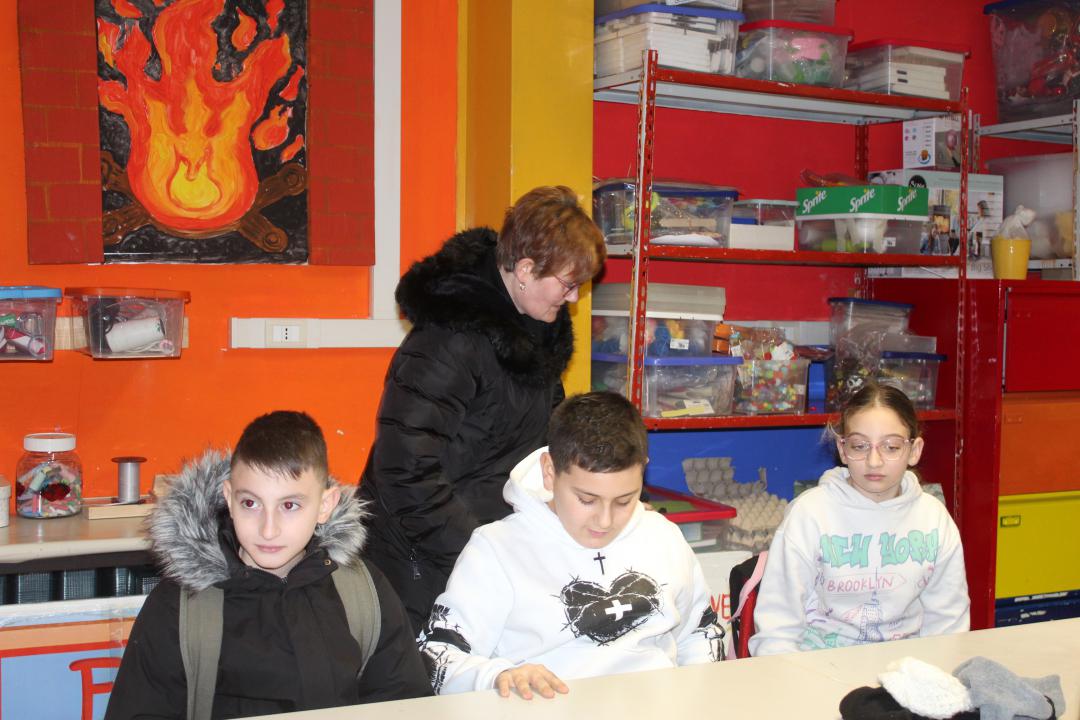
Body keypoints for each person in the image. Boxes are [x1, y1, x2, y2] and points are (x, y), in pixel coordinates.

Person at [358, 185, 607, 630]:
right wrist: (478, 554)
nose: (573, 298)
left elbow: (550, 440)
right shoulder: (448, 341)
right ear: (525, 270)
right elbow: (405, 471)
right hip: (419, 561)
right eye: (568, 284)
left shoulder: (535, 333)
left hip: (486, 549)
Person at [106, 411, 431, 719]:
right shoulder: (180, 606)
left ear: (325, 505)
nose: (268, 529)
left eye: (289, 505)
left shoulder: (363, 593)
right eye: (250, 503)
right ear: (229, 498)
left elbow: (406, 706)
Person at [417, 392, 725, 699]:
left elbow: (700, 633)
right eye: (587, 499)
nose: (605, 521)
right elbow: (437, 655)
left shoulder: (663, 536)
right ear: (549, 472)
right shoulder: (496, 550)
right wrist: (496, 676)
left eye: (624, 500)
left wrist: (697, 698)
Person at [749, 383, 970, 656]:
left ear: (914, 450)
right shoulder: (810, 514)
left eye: (891, 447)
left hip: (907, 669)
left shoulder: (934, 519)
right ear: (842, 449)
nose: (874, 461)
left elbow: (948, 625)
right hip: (817, 667)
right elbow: (777, 629)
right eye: (859, 446)